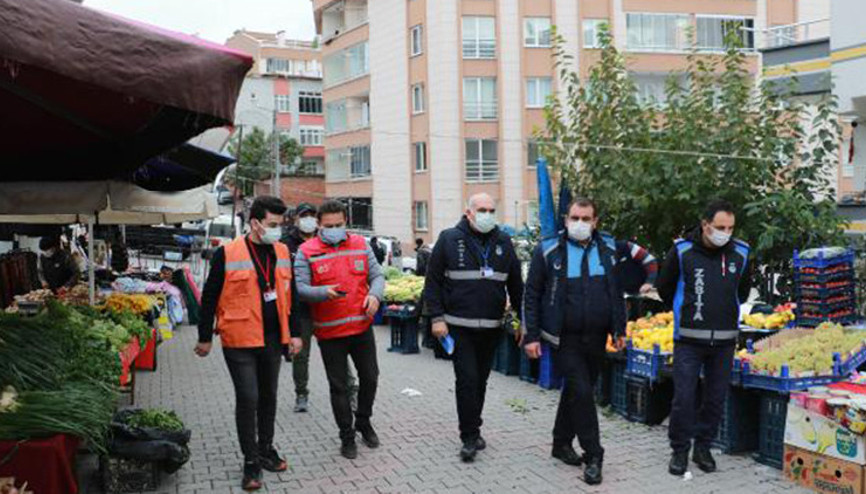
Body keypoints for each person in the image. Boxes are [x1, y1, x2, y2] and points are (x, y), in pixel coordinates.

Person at [195, 196, 303, 491]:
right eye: (272, 224)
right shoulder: (228, 253)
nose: (278, 229)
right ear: (255, 223)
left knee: (269, 396)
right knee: (248, 397)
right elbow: (209, 296)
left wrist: (295, 333)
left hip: (273, 339)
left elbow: (291, 295)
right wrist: (204, 337)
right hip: (239, 338)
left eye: (281, 224)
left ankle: (266, 449)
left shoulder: (282, 251)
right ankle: (251, 461)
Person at [523, 198, 627, 486]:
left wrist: (619, 328)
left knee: (577, 391)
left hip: (596, 337)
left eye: (586, 218)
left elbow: (615, 292)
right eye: (575, 218)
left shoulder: (608, 250)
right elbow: (532, 294)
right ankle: (594, 454)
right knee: (581, 392)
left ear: (595, 222)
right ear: (566, 219)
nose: (580, 223)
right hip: (563, 337)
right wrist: (531, 335)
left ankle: (560, 443)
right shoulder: (548, 250)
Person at [423, 193, 524, 463]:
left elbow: (516, 284)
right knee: (467, 380)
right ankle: (469, 437)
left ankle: (474, 426)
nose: (487, 215)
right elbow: (432, 282)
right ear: (468, 213)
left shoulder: (503, 242)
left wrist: (521, 319)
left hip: (491, 327)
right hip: (459, 327)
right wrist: (436, 318)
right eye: (481, 210)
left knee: (480, 381)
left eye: (491, 210)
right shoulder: (449, 239)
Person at [656, 199, 750, 477]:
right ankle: (680, 450)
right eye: (720, 227)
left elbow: (742, 292)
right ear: (705, 224)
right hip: (688, 339)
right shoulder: (682, 251)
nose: (725, 233)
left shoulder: (741, 254)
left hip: (724, 341)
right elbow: (664, 288)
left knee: (715, 399)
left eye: (730, 228)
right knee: (684, 398)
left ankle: (703, 447)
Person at [294, 200, 385, 460]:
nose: (334, 229)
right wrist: (323, 292)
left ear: (346, 222)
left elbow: (377, 276)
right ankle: (347, 436)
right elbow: (300, 288)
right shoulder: (306, 251)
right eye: (328, 226)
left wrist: (375, 295)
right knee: (339, 387)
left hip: (361, 327)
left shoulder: (360, 244)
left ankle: (363, 421)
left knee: (370, 378)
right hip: (330, 333)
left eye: (338, 225)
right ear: (319, 225)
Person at [280, 203, 358, 413]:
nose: (308, 219)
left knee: (338, 351)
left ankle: (351, 389)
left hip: (327, 306)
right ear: (296, 219)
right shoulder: (286, 244)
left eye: (312, 215)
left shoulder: (326, 239)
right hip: (301, 308)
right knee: (300, 354)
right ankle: (301, 393)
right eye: (303, 215)